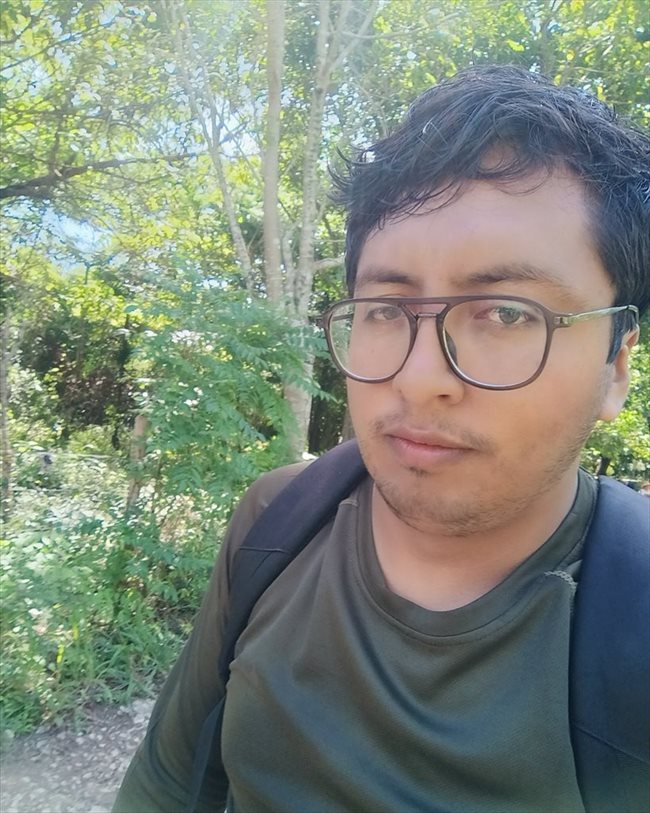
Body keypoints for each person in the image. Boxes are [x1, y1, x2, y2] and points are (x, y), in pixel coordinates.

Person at [114, 66, 649, 813]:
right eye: (386, 309)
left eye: (506, 313)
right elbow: (167, 783)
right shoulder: (276, 521)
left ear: (616, 365)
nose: (420, 378)